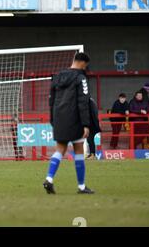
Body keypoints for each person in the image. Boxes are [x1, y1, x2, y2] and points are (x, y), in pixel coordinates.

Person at [44, 52, 94, 195]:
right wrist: (86, 123)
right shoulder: (81, 78)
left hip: (59, 117)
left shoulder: (58, 76)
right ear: (83, 63)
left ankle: (49, 179)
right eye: (86, 66)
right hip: (75, 118)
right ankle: (82, 186)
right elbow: (83, 101)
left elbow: (51, 100)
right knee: (79, 149)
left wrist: (53, 119)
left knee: (60, 149)